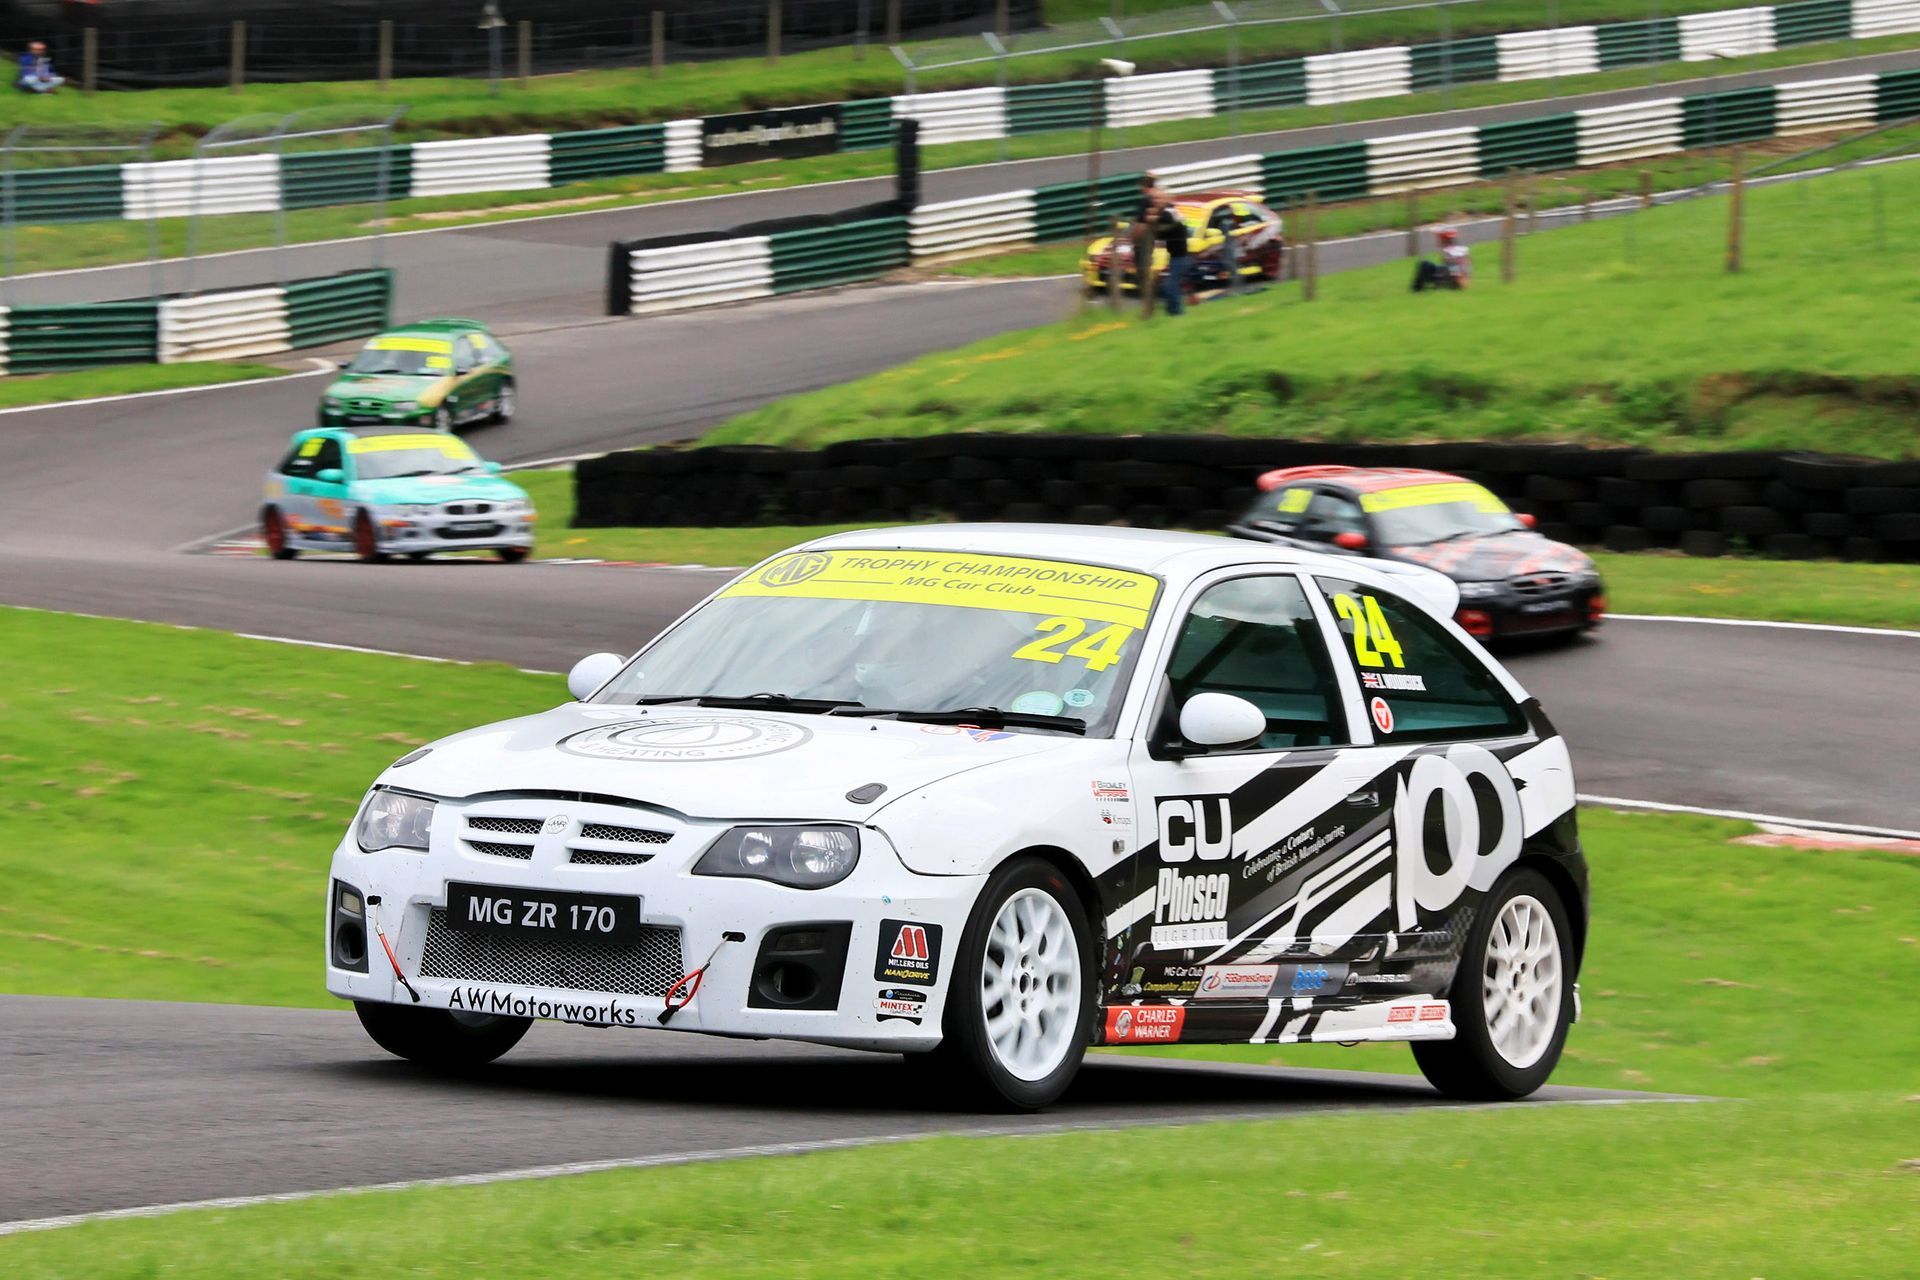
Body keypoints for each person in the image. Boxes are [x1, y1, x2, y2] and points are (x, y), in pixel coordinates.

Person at [1154, 197, 1192, 316]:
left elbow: (1160, 231)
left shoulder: (1167, 216)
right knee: (1169, 285)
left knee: (1170, 286)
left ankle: (1177, 312)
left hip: (1180, 257)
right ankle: (1171, 311)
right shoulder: (1173, 214)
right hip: (1177, 257)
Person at [1412, 225, 1471, 292]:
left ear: (1444, 239)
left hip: (1453, 282)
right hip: (1454, 279)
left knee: (1424, 265)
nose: (1436, 239)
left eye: (1438, 237)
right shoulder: (1459, 250)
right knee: (1430, 266)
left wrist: (1459, 284)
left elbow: (1455, 269)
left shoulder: (1450, 253)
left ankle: (1416, 290)